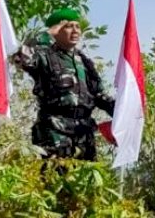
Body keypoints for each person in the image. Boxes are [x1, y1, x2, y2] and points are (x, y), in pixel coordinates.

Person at [12, 9, 114, 160]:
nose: (75, 31)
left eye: (78, 27)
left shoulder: (84, 61)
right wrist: (47, 33)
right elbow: (20, 57)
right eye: (69, 26)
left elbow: (98, 94)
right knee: (55, 178)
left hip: (83, 132)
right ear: (57, 30)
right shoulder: (44, 55)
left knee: (84, 180)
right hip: (54, 131)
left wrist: (120, 110)